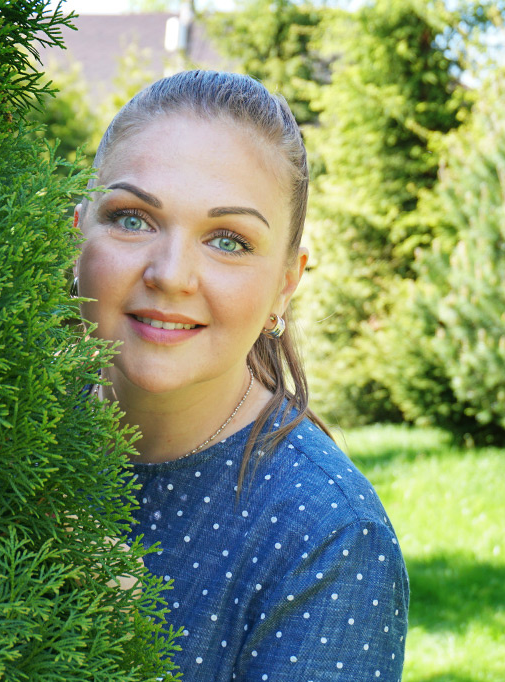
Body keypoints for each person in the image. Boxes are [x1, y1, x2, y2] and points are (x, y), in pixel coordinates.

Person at [71, 70, 408, 681]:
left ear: (286, 281)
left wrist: (124, 650)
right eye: (133, 219)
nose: (171, 274)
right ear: (79, 236)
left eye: (227, 240)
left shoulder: (328, 538)